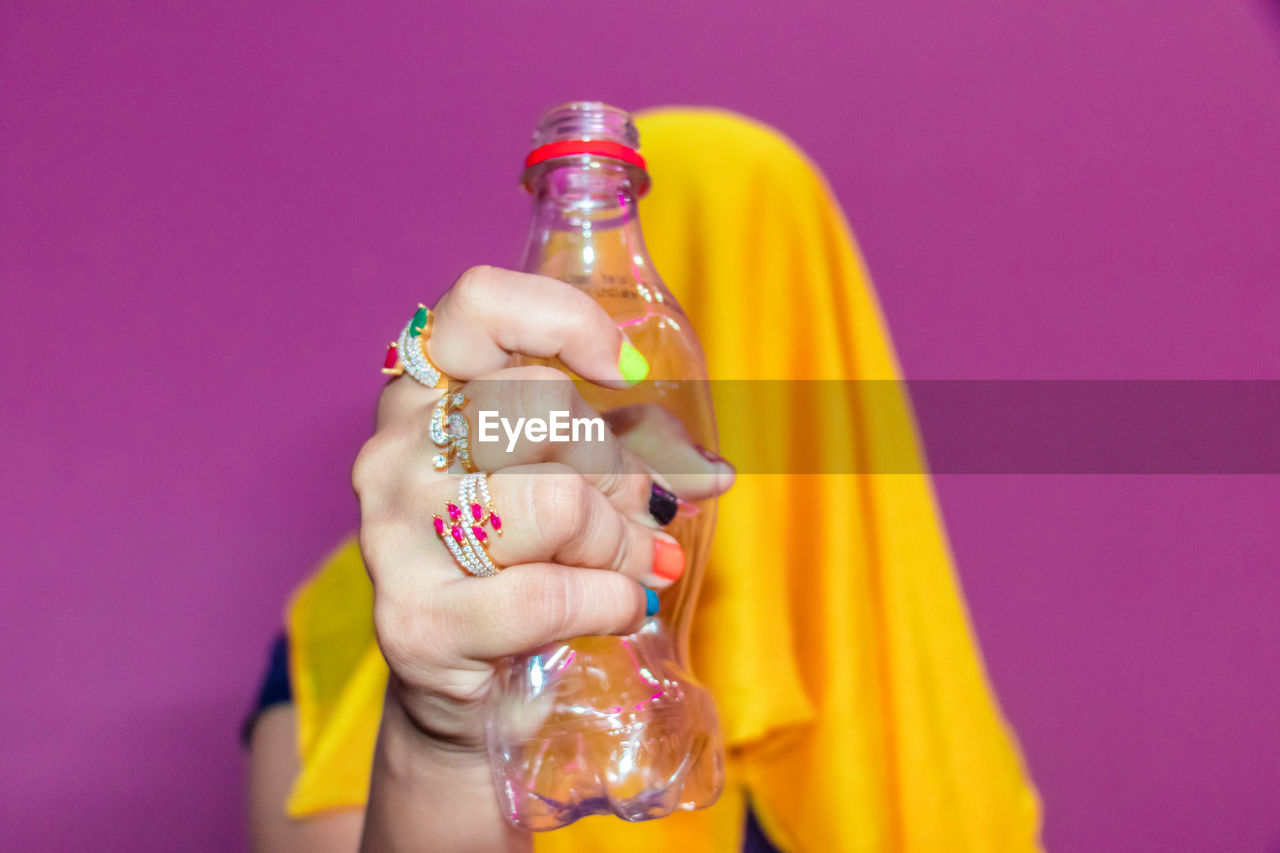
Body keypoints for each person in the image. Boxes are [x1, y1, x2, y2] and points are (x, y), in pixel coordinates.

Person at [245, 108, 1043, 852]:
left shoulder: (903, 656)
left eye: (753, 325)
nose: (643, 409)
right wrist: (441, 735)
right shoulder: (396, 607)